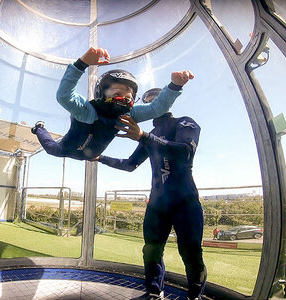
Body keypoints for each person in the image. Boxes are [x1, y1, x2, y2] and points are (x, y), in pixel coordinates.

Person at [94, 89, 206, 300]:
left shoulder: (184, 123)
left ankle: (195, 296)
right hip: (157, 204)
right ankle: (155, 293)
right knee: (151, 252)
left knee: (191, 254)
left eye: (156, 99)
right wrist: (100, 157)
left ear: (167, 102)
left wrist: (144, 136)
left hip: (186, 201)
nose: (152, 102)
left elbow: (185, 151)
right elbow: (129, 164)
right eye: (147, 100)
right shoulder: (147, 137)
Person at [31, 47, 194, 160]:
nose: (125, 99)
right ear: (100, 94)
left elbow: (157, 108)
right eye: (118, 93)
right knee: (51, 148)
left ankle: (40, 129)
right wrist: (81, 64)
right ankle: (39, 128)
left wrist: (174, 86)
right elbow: (64, 96)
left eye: (130, 96)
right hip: (66, 150)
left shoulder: (129, 114)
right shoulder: (87, 111)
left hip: (92, 154)